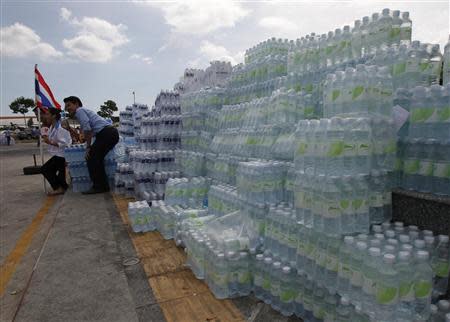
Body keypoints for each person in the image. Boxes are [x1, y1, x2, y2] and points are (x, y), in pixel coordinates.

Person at [64, 96, 119, 194]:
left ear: (76, 104)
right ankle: (103, 186)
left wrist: (88, 147)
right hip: (109, 134)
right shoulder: (83, 112)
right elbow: (88, 133)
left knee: (92, 157)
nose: (67, 108)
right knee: (96, 158)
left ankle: (99, 186)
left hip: (107, 133)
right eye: (66, 107)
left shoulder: (80, 111)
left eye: (69, 105)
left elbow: (87, 129)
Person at [40, 108, 72, 195]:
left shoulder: (60, 128)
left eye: (47, 114)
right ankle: (63, 186)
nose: (46, 116)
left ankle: (58, 187)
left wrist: (49, 142)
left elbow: (65, 143)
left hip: (61, 155)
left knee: (45, 169)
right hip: (58, 154)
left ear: (53, 116)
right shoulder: (52, 127)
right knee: (58, 173)